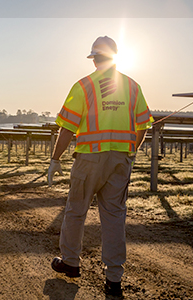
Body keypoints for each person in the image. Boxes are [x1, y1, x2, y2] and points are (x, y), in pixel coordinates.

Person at [48, 36, 153, 298]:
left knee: (76, 211)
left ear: (94, 58)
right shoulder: (132, 87)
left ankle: (71, 262)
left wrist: (55, 159)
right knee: (114, 217)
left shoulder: (83, 86)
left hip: (89, 160)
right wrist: (130, 153)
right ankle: (114, 279)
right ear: (116, 57)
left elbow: (67, 128)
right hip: (120, 160)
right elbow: (142, 126)